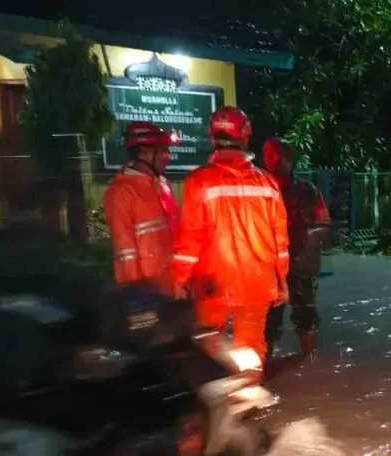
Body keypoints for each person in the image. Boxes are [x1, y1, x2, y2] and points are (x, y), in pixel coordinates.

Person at [171, 106, 289, 377]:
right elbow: (280, 242)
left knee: (206, 342)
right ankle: (245, 401)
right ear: (246, 138)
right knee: (251, 347)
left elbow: (189, 240)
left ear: (213, 139)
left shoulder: (199, 182)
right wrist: (281, 281)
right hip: (258, 283)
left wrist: (179, 280)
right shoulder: (268, 184)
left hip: (213, 284)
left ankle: (216, 401)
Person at [261, 137, 332, 363]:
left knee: (306, 316)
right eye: (269, 155)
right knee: (267, 322)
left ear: (288, 159)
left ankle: (307, 365)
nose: (272, 160)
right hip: (267, 266)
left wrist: (301, 236)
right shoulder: (258, 188)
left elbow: (324, 225)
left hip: (301, 264)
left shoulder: (307, 191)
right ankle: (265, 369)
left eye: (276, 155)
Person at [104, 122, 179, 294]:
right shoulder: (121, 193)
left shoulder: (162, 184)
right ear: (144, 153)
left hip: (173, 287)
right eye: (162, 151)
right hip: (147, 293)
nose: (167, 156)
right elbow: (125, 252)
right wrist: (134, 295)